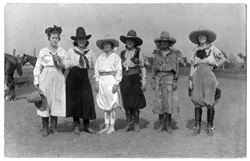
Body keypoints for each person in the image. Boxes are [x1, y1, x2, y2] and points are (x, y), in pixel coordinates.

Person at [188, 27, 227, 136]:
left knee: (210, 100)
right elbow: (192, 65)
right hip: (197, 75)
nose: (201, 38)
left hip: (209, 75)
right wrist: (190, 79)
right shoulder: (195, 50)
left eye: (203, 36)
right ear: (197, 38)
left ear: (207, 37)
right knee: (197, 100)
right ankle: (197, 126)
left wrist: (215, 66)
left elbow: (223, 58)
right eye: (199, 36)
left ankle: (210, 127)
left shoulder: (212, 48)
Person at [33, 25, 66, 137]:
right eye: (53, 37)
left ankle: (54, 127)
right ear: (49, 38)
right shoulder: (43, 51)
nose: (55, 40)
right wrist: (36, 82)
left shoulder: (62, 51)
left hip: (58, 77)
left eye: (57, 38)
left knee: (56, 101)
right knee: (45, 101)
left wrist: (61, 63)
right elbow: (37, 67)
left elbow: (67, 65)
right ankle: (45, 127)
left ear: (59, 39)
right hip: (45, 77)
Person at [64, 27, 97, 135]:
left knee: (86, 100)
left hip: (84, 77)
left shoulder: (90, 52)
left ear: (86, 40)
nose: (82, 41)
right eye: (79, 39)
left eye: (83, 39)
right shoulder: (70, 51)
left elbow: (96, 65)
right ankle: (76, 124)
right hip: (73, 78)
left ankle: (87, 125)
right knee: (75, 101)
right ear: (76, 41)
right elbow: (66, 65)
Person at [151, 31, 180, 133]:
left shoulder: (174, 54)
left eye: (166, 41)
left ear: (169, 43)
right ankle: (161, 124)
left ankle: (168, 124)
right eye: (162, 41)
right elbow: (153, 67)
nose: (164, 43)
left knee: (169, 102)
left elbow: (177, 67)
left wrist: (175, 80)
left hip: (170, 79)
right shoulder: (156, 53)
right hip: (159, 78)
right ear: (160, 42)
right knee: (159, 102)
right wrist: (153, 80)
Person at [119, 30, 147, 132]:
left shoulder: (138, 52)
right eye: (127, 40)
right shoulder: (122, 53)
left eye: (131, 40)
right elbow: (119, 68)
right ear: (125, 42)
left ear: (135, 42)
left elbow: (143, 67)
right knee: (126, 101)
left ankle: (136, 123)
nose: (129, 42)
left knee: (135, 101)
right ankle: (129, 123)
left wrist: (143, 81)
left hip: (135, 78)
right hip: (124, 79)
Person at [94, 36, 122, 134]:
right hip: (102, 81)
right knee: (105, 104)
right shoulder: (100, 57)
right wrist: (97, 82)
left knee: (112, 104)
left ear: (111, 46)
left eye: (108, 44)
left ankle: (112, 126)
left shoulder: (116, 57)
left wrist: (116, 83)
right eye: (104, 44)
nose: (106, 46)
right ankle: (106, 125)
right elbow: (96, 70)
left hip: (111, 80)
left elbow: (119, 70)